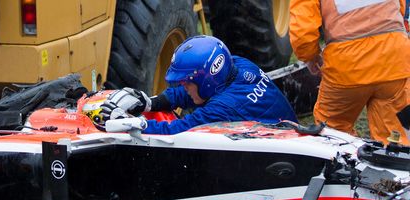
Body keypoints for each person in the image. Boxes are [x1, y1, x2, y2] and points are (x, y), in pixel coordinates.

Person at [100, 35, 297, 135]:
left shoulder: (223, 108)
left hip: (275, 185)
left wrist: (130, 124)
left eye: (187, 81)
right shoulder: (239, 64)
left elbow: (175, 131)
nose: (184, 86)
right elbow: (194, 93)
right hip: (283, 144)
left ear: (207, 81)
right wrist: (151, 103)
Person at [289, 0, 410, 145]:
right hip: (395, 59)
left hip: (347, 66)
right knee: (395, 137)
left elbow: (302, 32)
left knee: (333, 132)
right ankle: (396, 163)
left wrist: (310, 57)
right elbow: (400, 8)